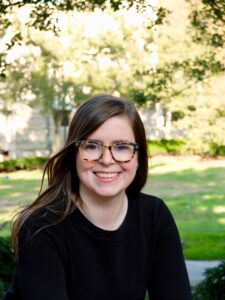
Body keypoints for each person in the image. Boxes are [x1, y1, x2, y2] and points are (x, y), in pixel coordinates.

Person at [3, 94, 192, 300]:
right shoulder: (42, 227)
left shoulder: (154, 215)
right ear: (74, 153)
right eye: (92, 146)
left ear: (138, 156)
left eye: (121, 147)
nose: (107, 160)